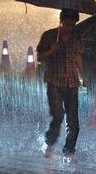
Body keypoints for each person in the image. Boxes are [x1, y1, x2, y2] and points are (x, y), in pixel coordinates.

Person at [36, 9, 85, 163]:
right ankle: (48, 143)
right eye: (67, 24)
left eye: (73, 25)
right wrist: (51, 50)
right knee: (58, 116)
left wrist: (83, 76)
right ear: (61, 21)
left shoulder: (77, 37)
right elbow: (39, 57)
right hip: (54, 82)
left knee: (74, 122)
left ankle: (69, 151)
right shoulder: (49, 35)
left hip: (72, 83)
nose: (69, 28)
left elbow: (78, 56)